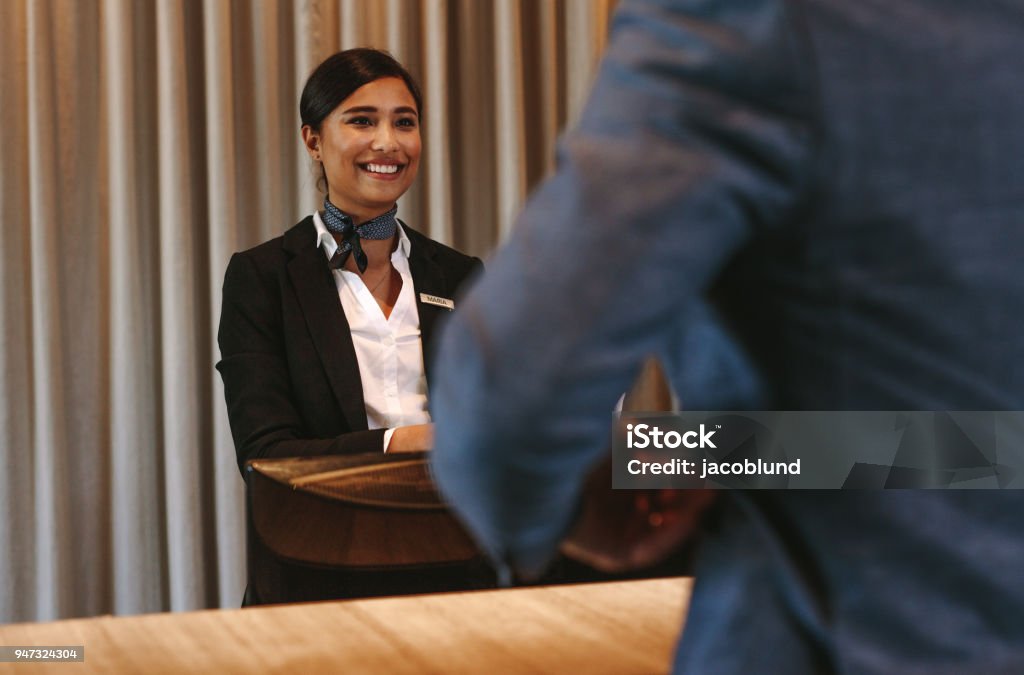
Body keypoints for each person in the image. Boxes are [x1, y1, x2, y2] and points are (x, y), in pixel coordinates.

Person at [429, 1, 1024, 672]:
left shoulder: (761, 18)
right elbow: (968, 443)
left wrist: (594, 492)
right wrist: (684, 451)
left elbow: (508, 399)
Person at [217, 48, 487, 604]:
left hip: (458, 573)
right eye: (362, 120)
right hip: (319, 579)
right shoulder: (262, 277)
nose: (388, 142)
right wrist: (403, 443)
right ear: (312, 139)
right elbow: (266, 457)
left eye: (404, 122)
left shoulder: (461, 275)